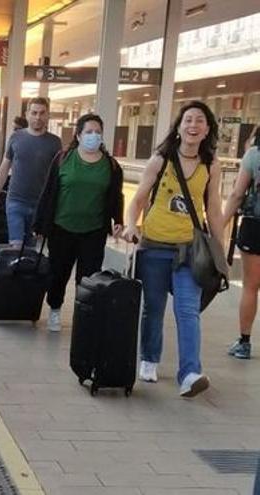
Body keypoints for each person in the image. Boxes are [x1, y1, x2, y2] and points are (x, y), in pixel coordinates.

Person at [122, 101, 224, 398]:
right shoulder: (161, 159)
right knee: (153, 307)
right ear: (179, 127)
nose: (193, 126)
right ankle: (149, 358)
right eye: (188, 120)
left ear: (207, 130)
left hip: (190, 249)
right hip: (154, 246)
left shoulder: (211, 165)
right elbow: (139, 200)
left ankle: (190, 373)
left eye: (200, 121)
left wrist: (219, 251)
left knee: (188, 311)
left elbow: (214, 210)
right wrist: (131, 225)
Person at [33, 114, 124, 332]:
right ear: (79, 135)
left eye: (97, 132)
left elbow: (115, 196)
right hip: (61, 228)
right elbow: (48, 192)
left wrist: (118, 220)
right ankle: (54, 309)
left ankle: (83, 315)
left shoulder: (111, 166)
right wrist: (40, 224)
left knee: (89, 276)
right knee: (58, 273)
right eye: (89, 132)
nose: (94, 136)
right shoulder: (63, 158)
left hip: (94, 230)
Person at [0, 97, 62, 247]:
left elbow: (59, 176)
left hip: (40, 205)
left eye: (42, 113)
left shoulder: (55, 142)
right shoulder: (16, 137)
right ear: (27, 114)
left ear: (48, 115)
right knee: (16, 246)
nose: (38, 117)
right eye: (34, 113)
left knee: (30, 250)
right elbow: (4, 168)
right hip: (16, 201)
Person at [221, 126, 260, 359]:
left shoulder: (254, 154)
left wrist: (221, 224)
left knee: (251, 286)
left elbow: (237, 194)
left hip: (255, 227)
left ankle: (244, 343)